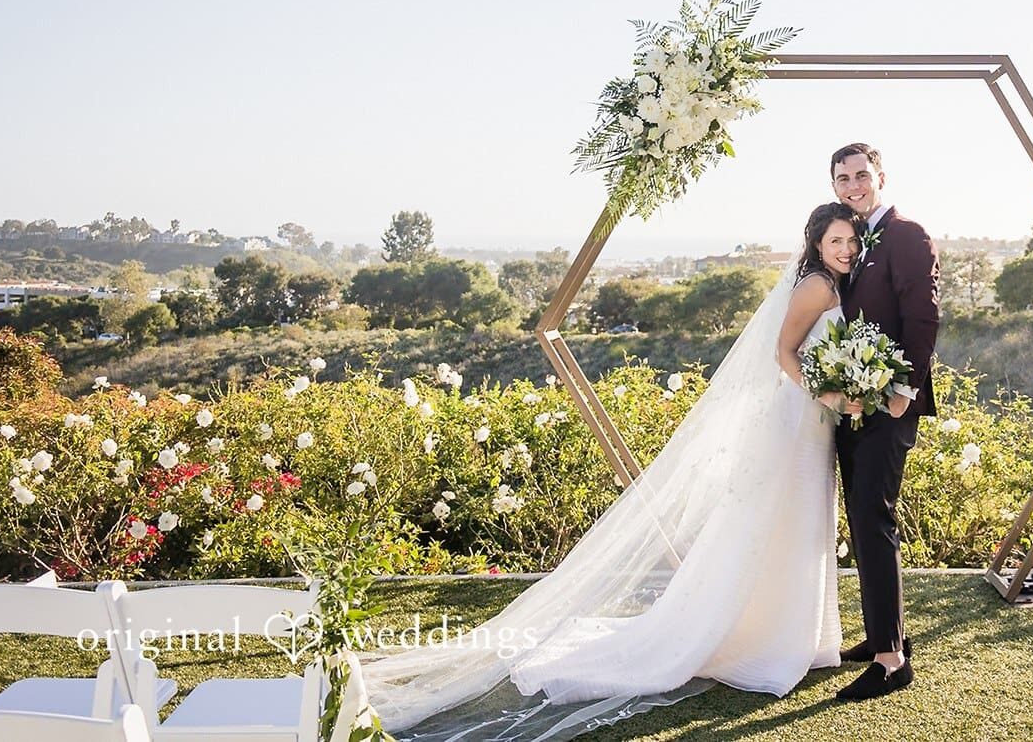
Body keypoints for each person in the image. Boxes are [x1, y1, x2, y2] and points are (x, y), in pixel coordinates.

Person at [362, 203, 863, 739]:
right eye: (836, 241)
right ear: (815, 244)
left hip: (813, 422)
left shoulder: (835, 282)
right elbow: (784, 353)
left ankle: (788, 633)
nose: (846, 249)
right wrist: (826, 390)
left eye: (851, 241)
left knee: (796, 525)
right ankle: (763, 639)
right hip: (799, 418)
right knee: (781, 522)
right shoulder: (816, 287)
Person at [829, 142, 940, 702]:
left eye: (862, 175)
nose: (853, 185)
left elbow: (923, 316)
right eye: (843, 177)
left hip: (891, 403)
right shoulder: (847, 239)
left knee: (875, 518)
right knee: (861, 515)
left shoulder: (906, 234)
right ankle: (881, 636)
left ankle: (893, 663)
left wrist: (905, 392)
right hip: (854, 405)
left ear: (881, 176)